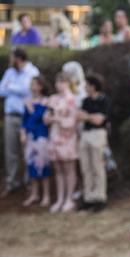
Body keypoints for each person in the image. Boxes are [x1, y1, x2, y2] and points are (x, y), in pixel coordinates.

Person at [0, 47, 39, 196]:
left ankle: (30, 185)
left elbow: (28, 90)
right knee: (11, 152)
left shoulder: (32, 71)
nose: (10, 60)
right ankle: (12, 183)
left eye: (12, 57)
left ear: (18, 58)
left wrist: (11, 87)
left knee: (27, 151)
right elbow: (1, 90)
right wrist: (15, 88)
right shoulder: (10, 72)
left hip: (25, 117)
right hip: (11, 116)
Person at [45, 70, 79, 213]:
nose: (59, 85)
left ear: (68, 83)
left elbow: (73, 120)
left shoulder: (72, 99)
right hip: (54, 136)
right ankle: (60, 198)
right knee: (58, 170)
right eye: (57, 82)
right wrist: (48, 118)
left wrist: (59, 120)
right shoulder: (52, 99)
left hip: (67, 137)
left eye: (62, 82)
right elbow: (46, 116)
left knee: (68, 169)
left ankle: (69, 198)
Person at [77, 72, 110, 212]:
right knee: (86, 168)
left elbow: (100, 120)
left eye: (87, 85)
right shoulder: (85, 101)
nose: (85, 87)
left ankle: (100, 197)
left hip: (98, 135)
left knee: (97, 167)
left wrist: (88, 116)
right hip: (85, 134)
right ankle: (88, 197)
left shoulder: (104, 100)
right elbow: (79, 116)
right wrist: (90, 117)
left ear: (93, 86)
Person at [20, 75, 51, 207]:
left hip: (42, 136)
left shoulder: (46, 101)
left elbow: (39, 118)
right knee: (31, 165)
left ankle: (46, 195)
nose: (32, 87)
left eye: (34, 84)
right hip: (30, 137)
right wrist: (22, 134)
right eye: (31, 84)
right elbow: (24, 121)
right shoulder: (28, 101)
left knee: (44, 166)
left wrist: (31, 107)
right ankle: (34, 193)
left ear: (41, 86)